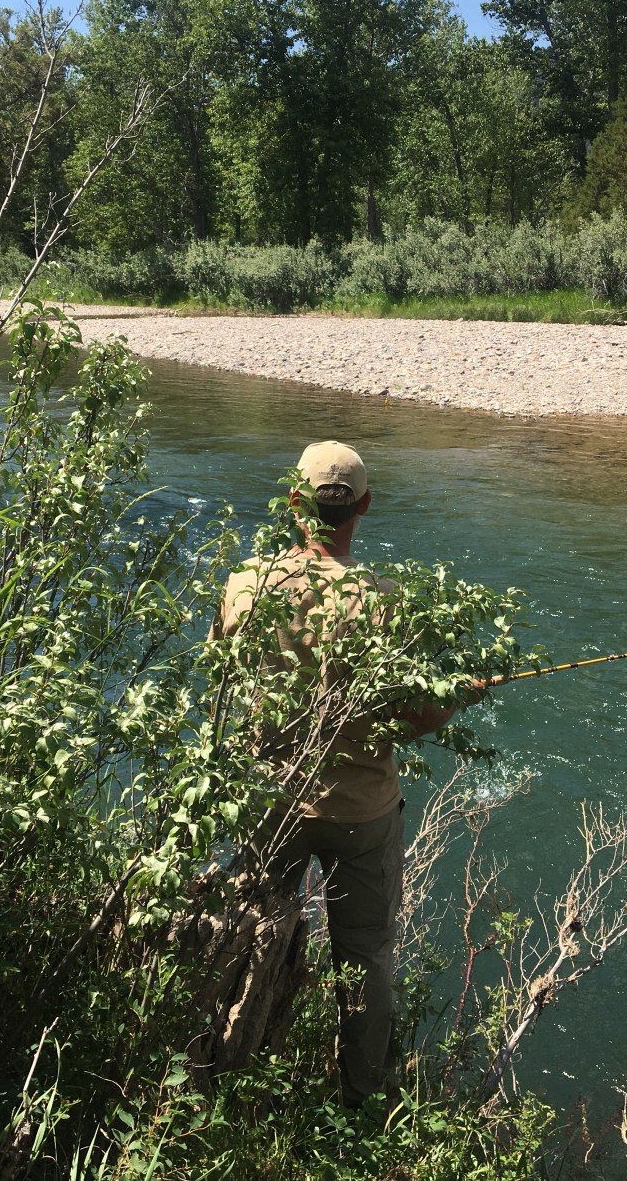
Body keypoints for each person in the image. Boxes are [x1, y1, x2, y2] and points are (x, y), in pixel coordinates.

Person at [211, 439, 455, 1108]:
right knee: (366, 956)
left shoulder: (245, 584)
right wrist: (459, 696)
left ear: (293, 502)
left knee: (250, 927)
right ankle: (360, 1098)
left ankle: (221, 1074)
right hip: (362, 810)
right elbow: (417, 715)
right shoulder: (389, 601)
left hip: (269, 801)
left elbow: (222, 683)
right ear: (364, 507)